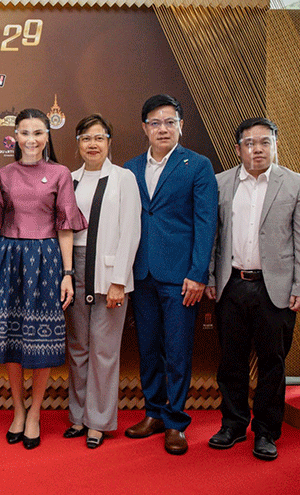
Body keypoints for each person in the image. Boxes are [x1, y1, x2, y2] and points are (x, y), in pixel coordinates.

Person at [205, 117, 300, 461]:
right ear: (238, 149)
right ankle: (233, 424)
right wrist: (210, 278)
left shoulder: (295, 184)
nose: (257, 149)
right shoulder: (221, 183)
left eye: (265, 142)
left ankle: (266, 431)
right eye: (250, 143)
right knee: (231, 362)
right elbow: (211, 236)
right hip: (232, 285)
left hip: (275, 288)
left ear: (275, 146)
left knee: (272, 363)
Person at [123, 94, 217, 455]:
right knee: (148, 349)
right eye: (155, 123)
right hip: (141, 273)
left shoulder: (198, 165)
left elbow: (206, 223)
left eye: (169, 122)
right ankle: (153, 413)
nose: (162, 129)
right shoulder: (130, 168)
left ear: (181, 125)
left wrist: (198, 274)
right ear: (144, 128)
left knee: (178, 351)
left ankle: (176, 421)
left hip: (181, 277)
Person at [0, 108, 87, 450]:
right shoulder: (3, 174)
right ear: (15, 136)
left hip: (46, 261)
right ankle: (18, 409)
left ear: (47, 136)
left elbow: (66, 228)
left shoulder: (60, 173)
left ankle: (35, 413)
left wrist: (68, 274)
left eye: (38, 133)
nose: (31, 139)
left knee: (42, 340)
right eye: (25, 133)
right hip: (9, 260)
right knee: (12, 339)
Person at [65, 114, 141, 449]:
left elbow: (131, 231)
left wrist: (119, 280)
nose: (92, 144)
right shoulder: (69, 179)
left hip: (109, 272)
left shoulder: (124, 178)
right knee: (78, 347)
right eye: (86, 138)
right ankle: (78, 415)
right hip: (74, 268)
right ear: (78, 144)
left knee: (104, 349)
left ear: (109, 141)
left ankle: (98, 421)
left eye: (99, 138)